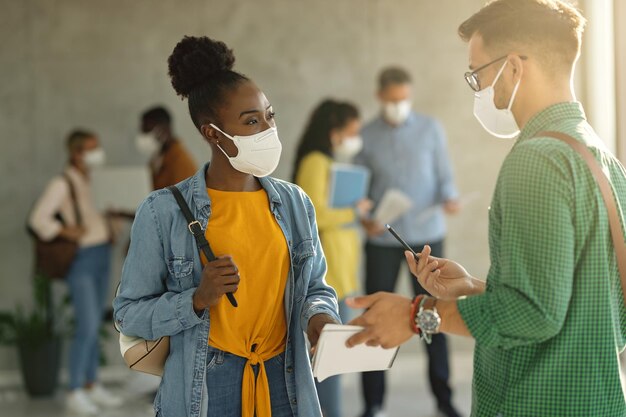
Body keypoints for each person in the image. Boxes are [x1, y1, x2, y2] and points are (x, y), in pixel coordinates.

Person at [346, 1, 626, 416]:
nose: (477, 87)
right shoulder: (598, 155)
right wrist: (475, 287)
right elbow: (590, 305)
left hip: (535, 402)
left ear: (513, 67)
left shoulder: (536, 160)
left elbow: (533, 316)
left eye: (477, 73)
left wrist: (415, 312)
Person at [113, 36, 340, 417]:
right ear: (213, 134)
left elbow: (315, 287)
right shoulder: (162, 211)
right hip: (207, 385)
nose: (268, 129)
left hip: (285, 381)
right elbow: (128, 314)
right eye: (251, 121)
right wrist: (197, 299)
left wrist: (319, 317)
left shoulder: (295, 202)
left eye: (270, 115)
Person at [354, 67, 461, 417]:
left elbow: (446, 177)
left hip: (428, 235)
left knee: (436, 315)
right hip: (383, 240)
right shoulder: (365, 136)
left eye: (404, 99)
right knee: (375, 315)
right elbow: (359, 193)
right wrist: (364, 216)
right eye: (393, 100)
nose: (399, 105)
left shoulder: (431, 129)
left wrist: (451, 198)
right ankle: (373, 404)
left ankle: (444, 402)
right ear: (380, 96)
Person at [29, 130, 122, 415]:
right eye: (91, 149)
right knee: (87, 324)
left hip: (101, 255)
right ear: (76, 153)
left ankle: (92, 385)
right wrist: (65, 230)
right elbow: (38, 219)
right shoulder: (62, 182)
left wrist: (110, 225)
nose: (98, 153)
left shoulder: (94, 180)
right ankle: (74, 390)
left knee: (94, 326)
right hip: (80, 258)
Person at [293, 99, 371, 417]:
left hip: (341, 270)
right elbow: (313, 215)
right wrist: (353, 211)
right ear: (334, 131)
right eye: (352, 131)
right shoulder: (315, 161)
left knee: (331, 359)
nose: (355, 138)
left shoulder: (326, 162)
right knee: (328, 358)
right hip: (329, 274)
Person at [135, 105, 197, 190]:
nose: (144, 136)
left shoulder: (181, 162)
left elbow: (182, 200)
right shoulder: (157, 159)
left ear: (163, 130)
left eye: (147, 131)